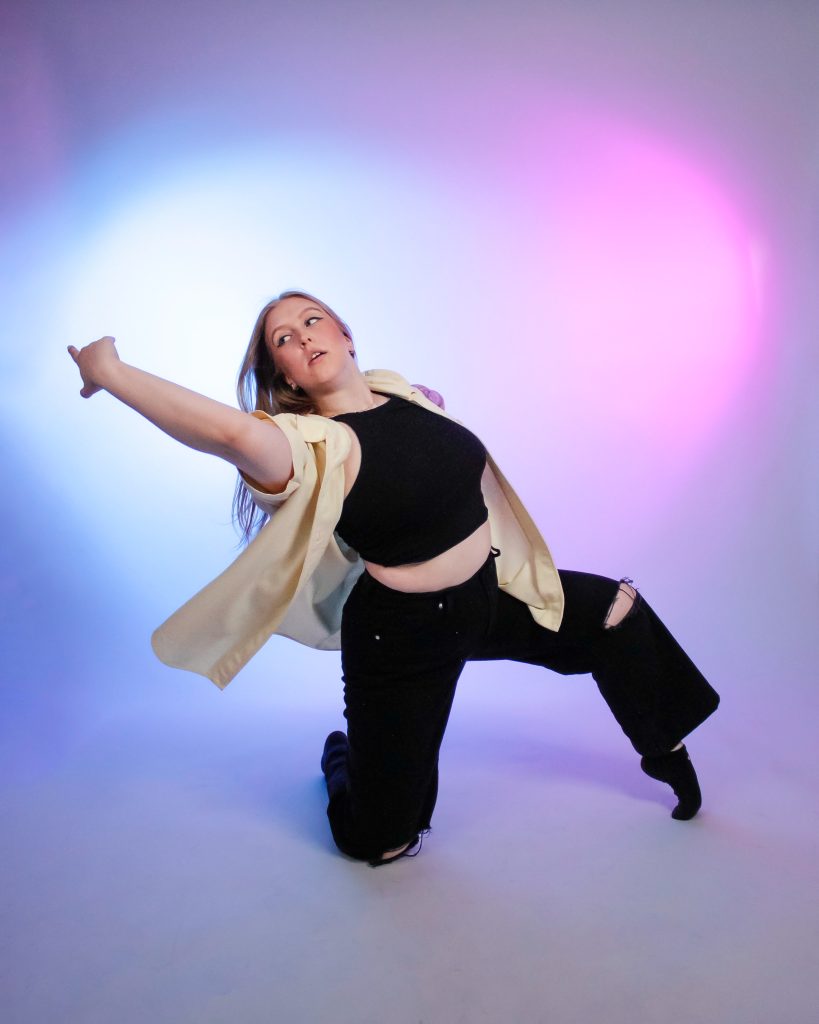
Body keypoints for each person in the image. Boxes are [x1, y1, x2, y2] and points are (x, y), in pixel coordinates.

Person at [68, 290, 719, 866]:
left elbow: (421, 444)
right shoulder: (308, 445)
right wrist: (111, 372)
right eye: (283, 340)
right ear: (285, 373)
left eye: (311, 321)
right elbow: (233, 436)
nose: (303, 338)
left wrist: (428, 405)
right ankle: (342, 762)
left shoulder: (401, 394)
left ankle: (666, 753)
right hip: (401, 638)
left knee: (615, 609)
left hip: (488, 596)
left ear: (345, 335)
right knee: (381, 842)